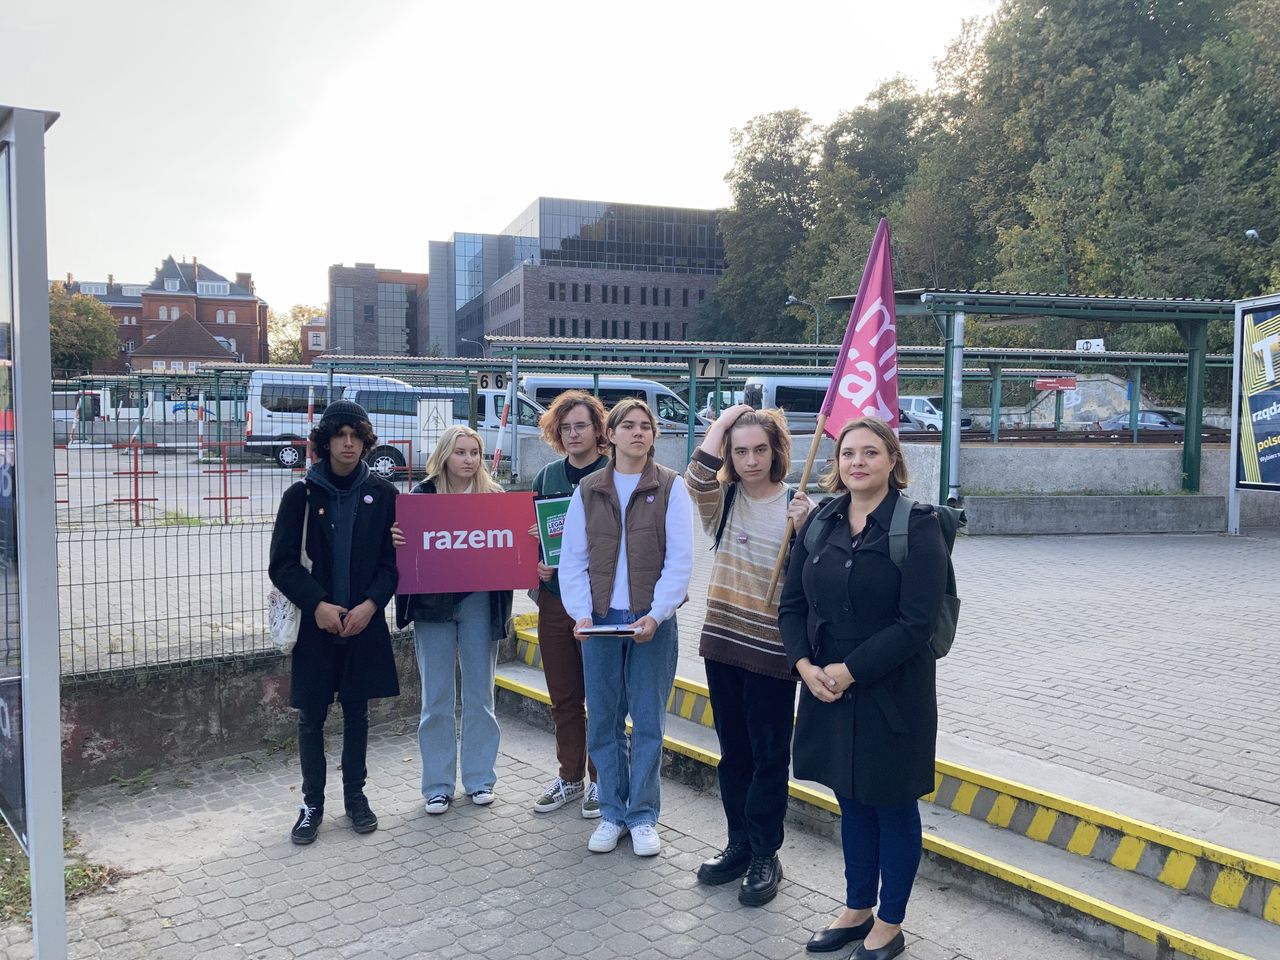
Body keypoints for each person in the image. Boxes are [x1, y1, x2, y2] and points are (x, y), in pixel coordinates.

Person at [779, 416, 947, 960]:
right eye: (848, 453)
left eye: (870, 453)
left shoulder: (918, 527)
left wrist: (848, 671)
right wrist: (804, 664)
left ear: (893, 462)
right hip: (825, 682)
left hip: (890, 689)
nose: (857, 462)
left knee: (892, 803)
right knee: (850, 799)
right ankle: (856, 908)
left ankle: (890, 922)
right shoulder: (821, 522)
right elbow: (793, 604)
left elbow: (916, 622)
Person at [684, 404, 811, 905]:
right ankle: (738, 843)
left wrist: (806, 530)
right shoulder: (724, 499)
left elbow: (811, 579)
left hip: (773, 652)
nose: (751, 460)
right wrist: (722, 422)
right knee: (733, 752)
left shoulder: (800, 506)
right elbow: (697, 477)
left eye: (760, 449)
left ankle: (766, 853)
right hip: (724, 643)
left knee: (768, 756)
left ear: (776, 451)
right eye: (740, 451)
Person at [558, 398, 693, 856]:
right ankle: (612, 812)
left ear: (653, 436)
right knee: (605, 721)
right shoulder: (589, 490)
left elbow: (680, 562)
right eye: (628, 426)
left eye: (646, 426)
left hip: (651, 622)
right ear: (609, 435)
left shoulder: (672, 487)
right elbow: (572, 559)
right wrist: (581, 613)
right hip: (598, 622)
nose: (638, 433)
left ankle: (643, 816)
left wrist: (656, 614)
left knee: (649, 721)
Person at [268, 399, 400, 845]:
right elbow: (282, 565)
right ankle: (312, 805)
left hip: (363, 623)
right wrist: (318, 606)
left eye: (356, 436)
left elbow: (391, 563)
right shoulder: (300, 496)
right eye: (339, 436)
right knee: (311, 717)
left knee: (358, 715)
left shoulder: (384, 495)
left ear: (366, 442)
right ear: (324, 443)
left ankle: (355, 799)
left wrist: (370, 605)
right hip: (315, 628)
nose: (348, 444)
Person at [394, 425, 513, 816]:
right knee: (437, 698)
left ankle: (480, 779)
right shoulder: (421, 498)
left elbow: (512, 549)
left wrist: (526, 536)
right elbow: (404, 548)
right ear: (444, 455)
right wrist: (394, 537)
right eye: (460, 452)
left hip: (481, 603)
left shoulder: (496, 498)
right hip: (433, 607)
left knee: (481, 695)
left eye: (475, 452)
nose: (468, 459)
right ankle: (438, 786)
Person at [527, 390, 610, 819]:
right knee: (563, 696)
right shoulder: (546, 478)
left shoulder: (614, 473)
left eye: (581, 425)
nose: (573, 433)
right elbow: (536, 539)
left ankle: (601, 781)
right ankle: (570, 777)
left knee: (600, 696)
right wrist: (537, 567)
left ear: (599, 429)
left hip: (601, 605)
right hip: (556, 601)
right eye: (566, 427)